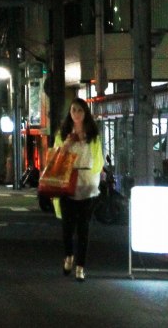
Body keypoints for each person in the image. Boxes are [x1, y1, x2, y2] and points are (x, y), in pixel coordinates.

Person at [53, 97, 104, 281]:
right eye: (73, 110)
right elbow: (55, 157)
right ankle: (68, 256)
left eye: (80, 110)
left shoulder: (93, 134)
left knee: (83, 229)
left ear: (85, 113)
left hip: (87, 184)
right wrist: (67, 144)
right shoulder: (64, 132)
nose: (76, 114)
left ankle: (80, 267)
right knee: (67, 227)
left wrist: (97, 178)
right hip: (67, 183)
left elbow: (98, 159)